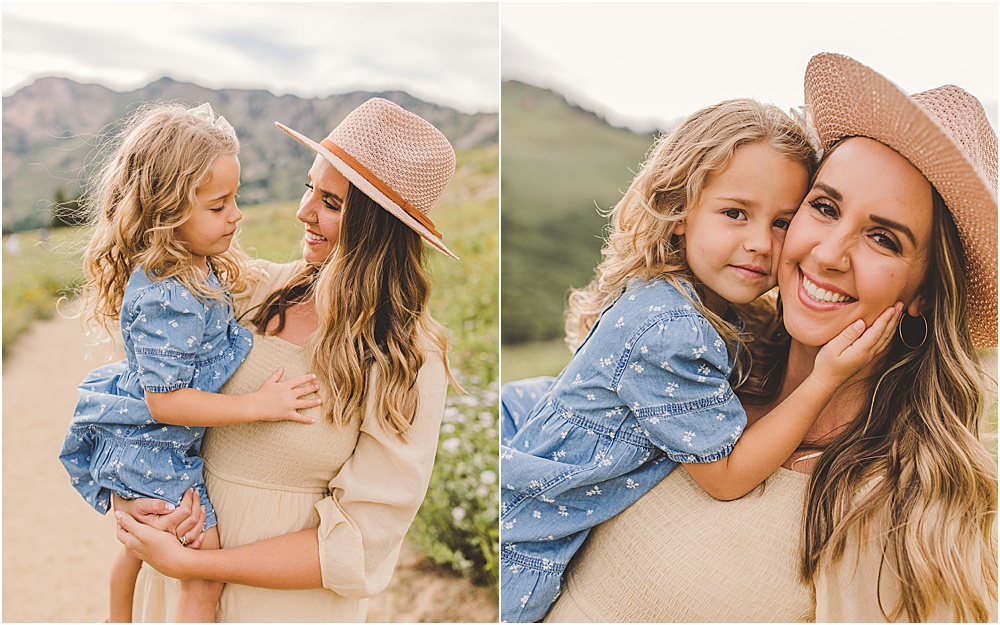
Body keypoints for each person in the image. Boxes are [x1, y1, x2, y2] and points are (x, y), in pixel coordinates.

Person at [541, 53, 998, 622]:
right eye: (825, 207)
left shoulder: (898, 515)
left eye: (883, 239)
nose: (828, 255)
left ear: (926, 291)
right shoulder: (701, 370)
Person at [499, 98, 903, 622]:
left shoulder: (701, 303)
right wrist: (824, 378)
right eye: (735, 214)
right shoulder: (671, 331)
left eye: (783, 222)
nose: (760, 243)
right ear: (678, 214)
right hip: (527, 549)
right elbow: (728, 475)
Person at [112, 97, 459, 622]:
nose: (304, 212)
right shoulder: (249, 290)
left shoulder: (405, 358)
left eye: (332, 203)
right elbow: (143, 394)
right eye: (309, 188)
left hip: (279, 606)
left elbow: (360, 542)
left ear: (379, 227)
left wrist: (201, 567)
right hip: (174, 580)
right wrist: (134, 503)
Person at [57, 102, 321, 622]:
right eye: (218, 205)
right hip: (158, 449)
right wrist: (259, 406)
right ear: (167, 213)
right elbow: (165, 400)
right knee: (204, 573)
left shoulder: (192, 268)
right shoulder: (169, 295)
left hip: (152, 447)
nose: (236, 215)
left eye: (235, 199)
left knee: (136, 551)